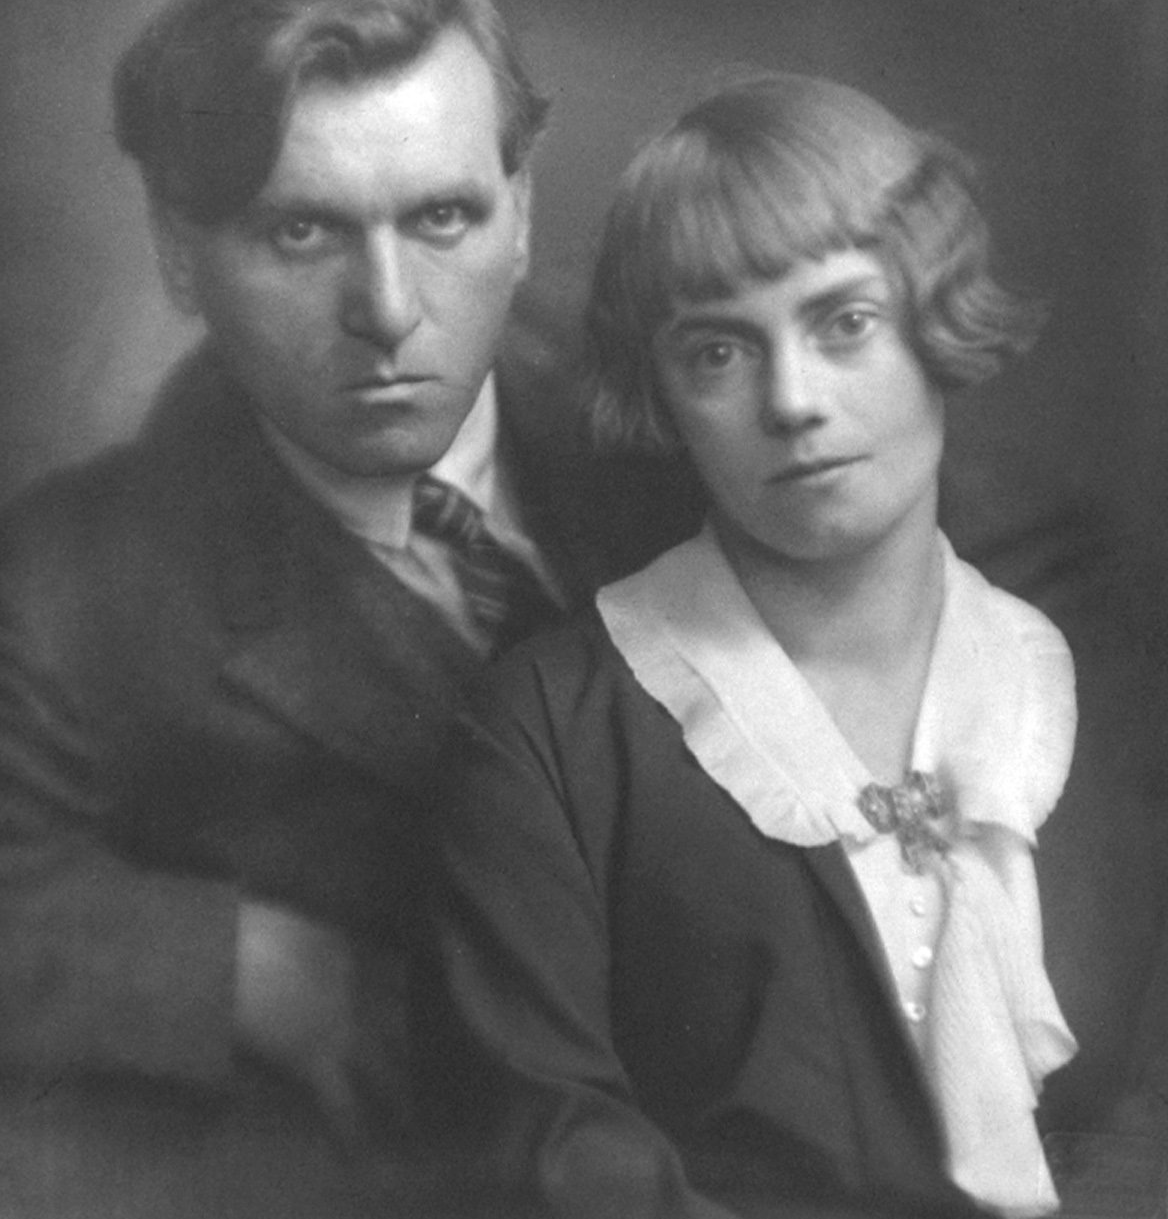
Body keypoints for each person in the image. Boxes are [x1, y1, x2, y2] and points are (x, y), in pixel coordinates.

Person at [0, 0, 684, 1219]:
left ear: (521, 213)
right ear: (179, 254)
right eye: (302, 230)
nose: (388, 309)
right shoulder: (60, 585)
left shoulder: (689, 395)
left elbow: (1019, 560)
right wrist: (234, 963)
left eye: (441, 218)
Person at [432, 72, 1080, 1218]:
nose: (792, 400)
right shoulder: (546, 731)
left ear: (934, 320)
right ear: (662, 393)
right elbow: (557, 1152)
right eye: (719, 353)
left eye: (845, 323)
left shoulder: (1081, 679)